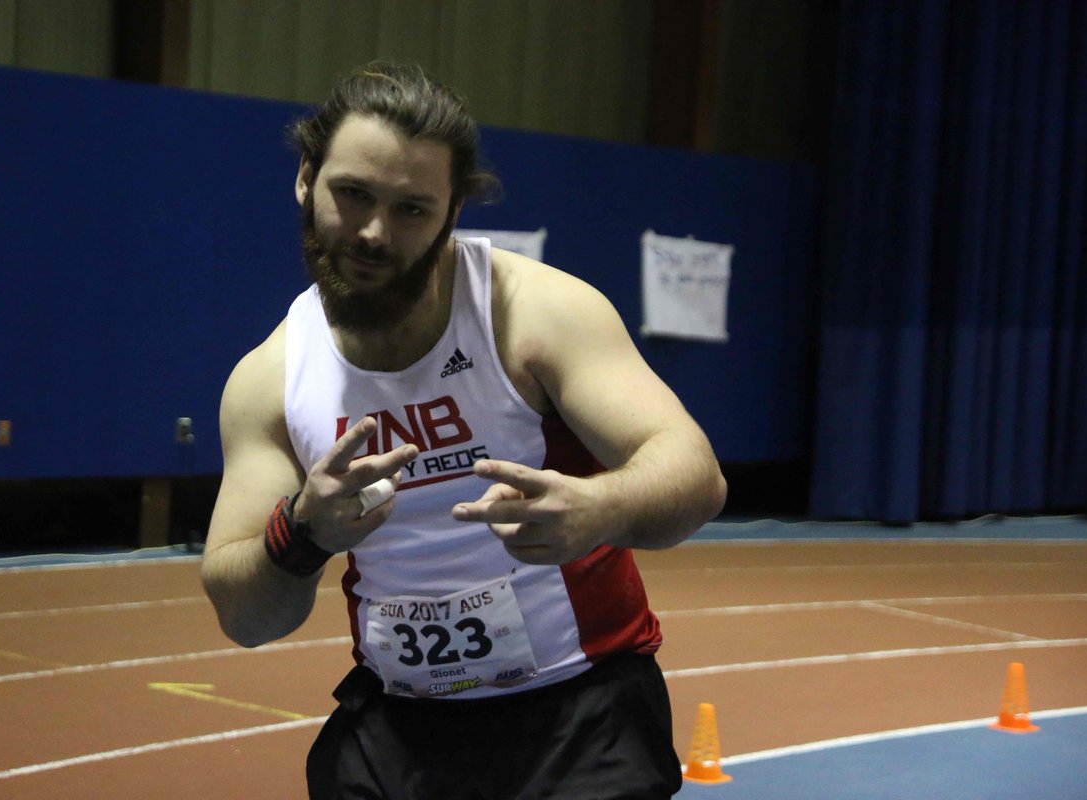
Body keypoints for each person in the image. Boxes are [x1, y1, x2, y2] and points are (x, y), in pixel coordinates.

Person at [200, 61, 728, 800]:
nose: (376, 233)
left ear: (453, 212)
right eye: (352, 195)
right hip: (399, 734)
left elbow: (694, 474)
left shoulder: (534, 315)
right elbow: (244, 617)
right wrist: (302, 532)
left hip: (581, 721)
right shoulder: (270, 380)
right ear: (305, 179)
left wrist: (599, 510)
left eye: (413, 209)